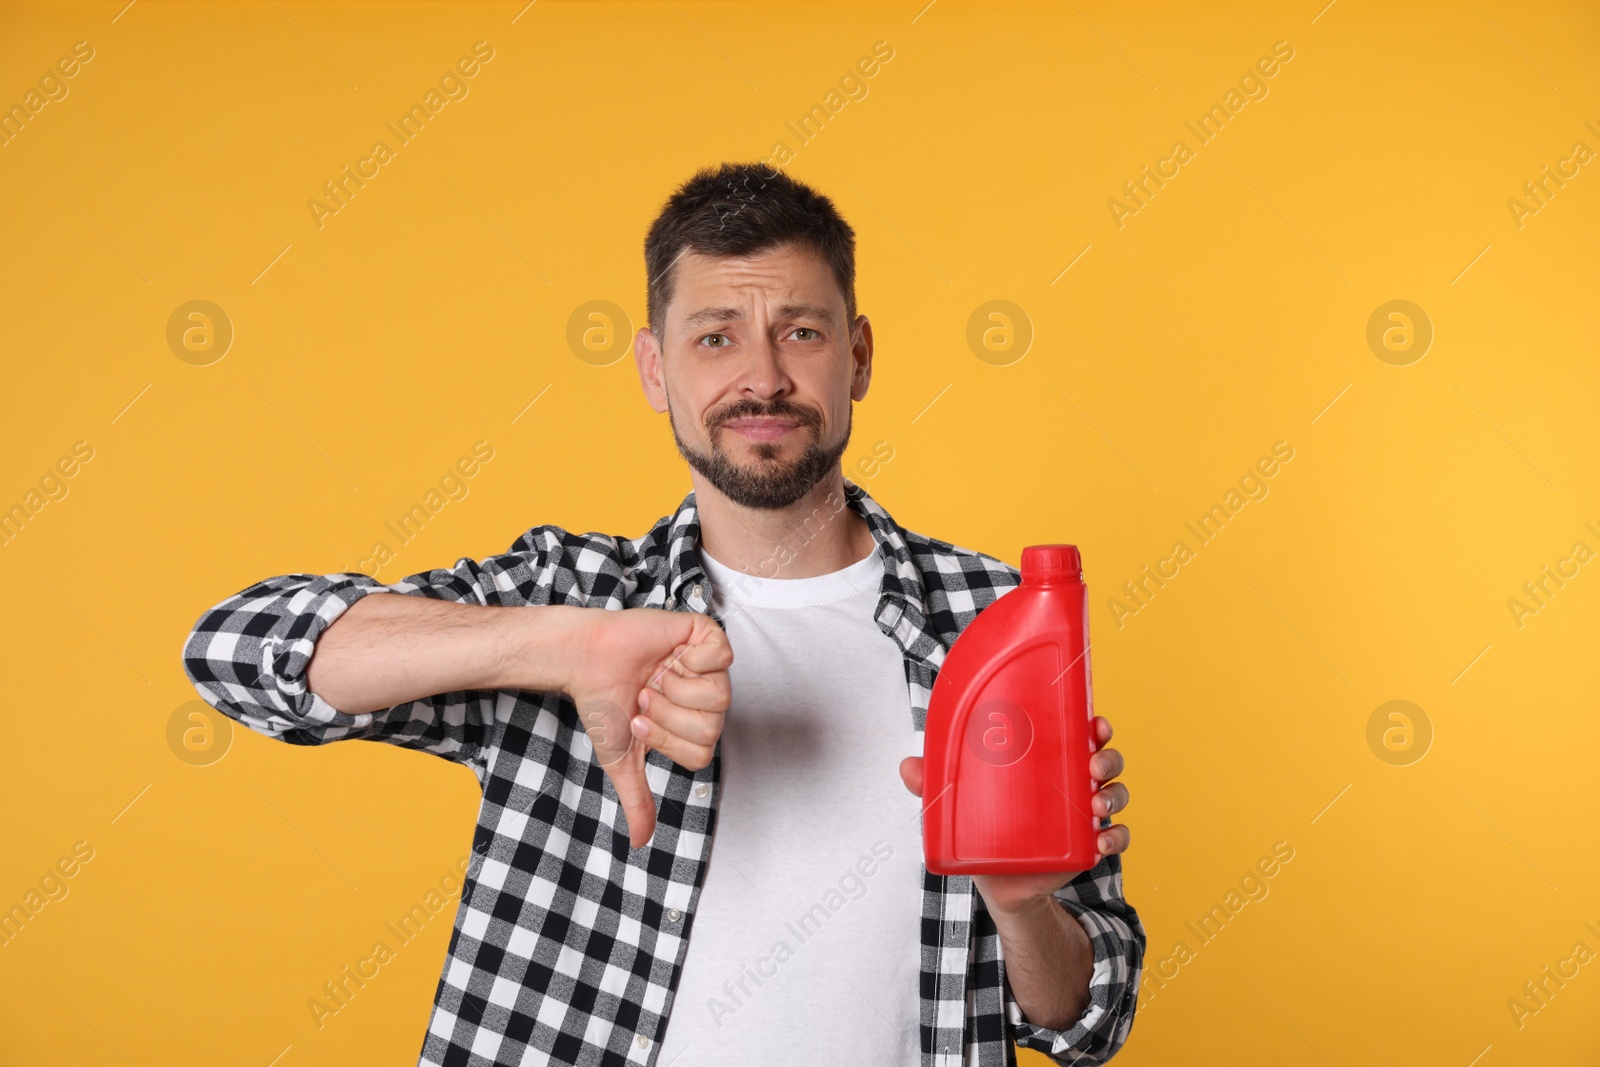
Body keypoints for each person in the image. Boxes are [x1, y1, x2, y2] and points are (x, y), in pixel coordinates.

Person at [181, 161, 1145, 1067]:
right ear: (654, 368)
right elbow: (235, 650)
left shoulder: (996, 620)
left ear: (857, 357)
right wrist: (565, 645)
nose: (761, 378)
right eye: (715, 335)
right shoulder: (575, 594)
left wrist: (1022, 908)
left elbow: (1089, 1022)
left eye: (801, 332)